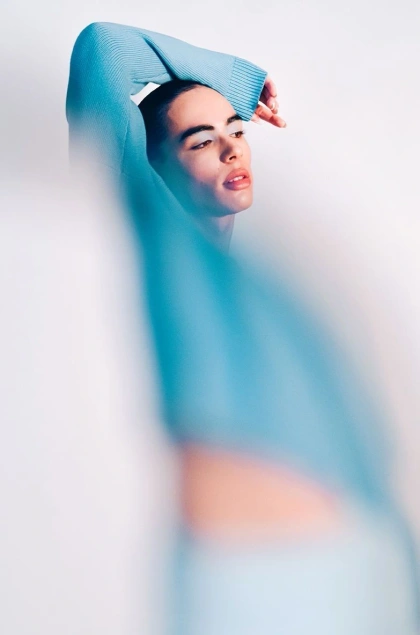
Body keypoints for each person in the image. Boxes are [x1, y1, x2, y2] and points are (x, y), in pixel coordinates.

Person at [66, 22, 419, 634]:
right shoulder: (159, 230)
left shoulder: (258, 273)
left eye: (237, 130)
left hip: (364, 575)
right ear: (153, 162)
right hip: (253, 582)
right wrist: (241, 80)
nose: (232, 150)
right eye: (202, 140)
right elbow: (104, 49)